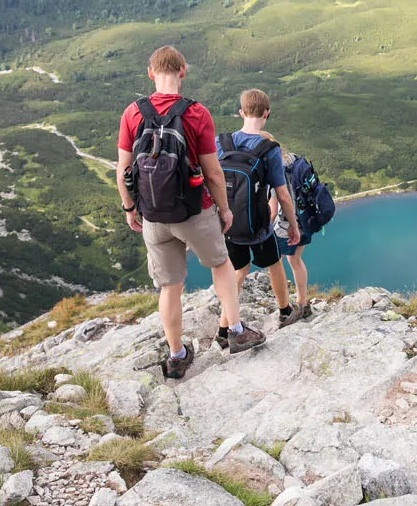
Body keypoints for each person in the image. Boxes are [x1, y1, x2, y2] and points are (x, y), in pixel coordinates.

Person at [117, 46, 265, 379]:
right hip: (194, 212)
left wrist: (130, 207)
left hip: (154, 216)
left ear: (151, 73)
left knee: (170, 287)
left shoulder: (132, 113)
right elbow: (213, 173)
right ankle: (237, 330)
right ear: (183, 71)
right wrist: (225, 210)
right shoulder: (196, 113)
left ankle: (176, 355)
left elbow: (123, 168)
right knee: (221, 264)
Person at [217, 88, 304, 347]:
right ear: (267, 113)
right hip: (259, 226)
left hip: (228, 223)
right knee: (274, 263)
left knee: (238, 270)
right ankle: (286, 311)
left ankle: (224, 329)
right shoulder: (269, 149)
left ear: (241, 112)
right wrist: (293, 226)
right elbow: (283, 196)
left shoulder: (221, 142)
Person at [271, 150, 313, 318]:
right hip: (305, 219)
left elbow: (273, 209)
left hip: (284, 226)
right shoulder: (294, 160)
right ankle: (303, 302)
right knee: (295, 260)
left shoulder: (272, 170)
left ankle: (284, 308)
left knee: (275, 264)